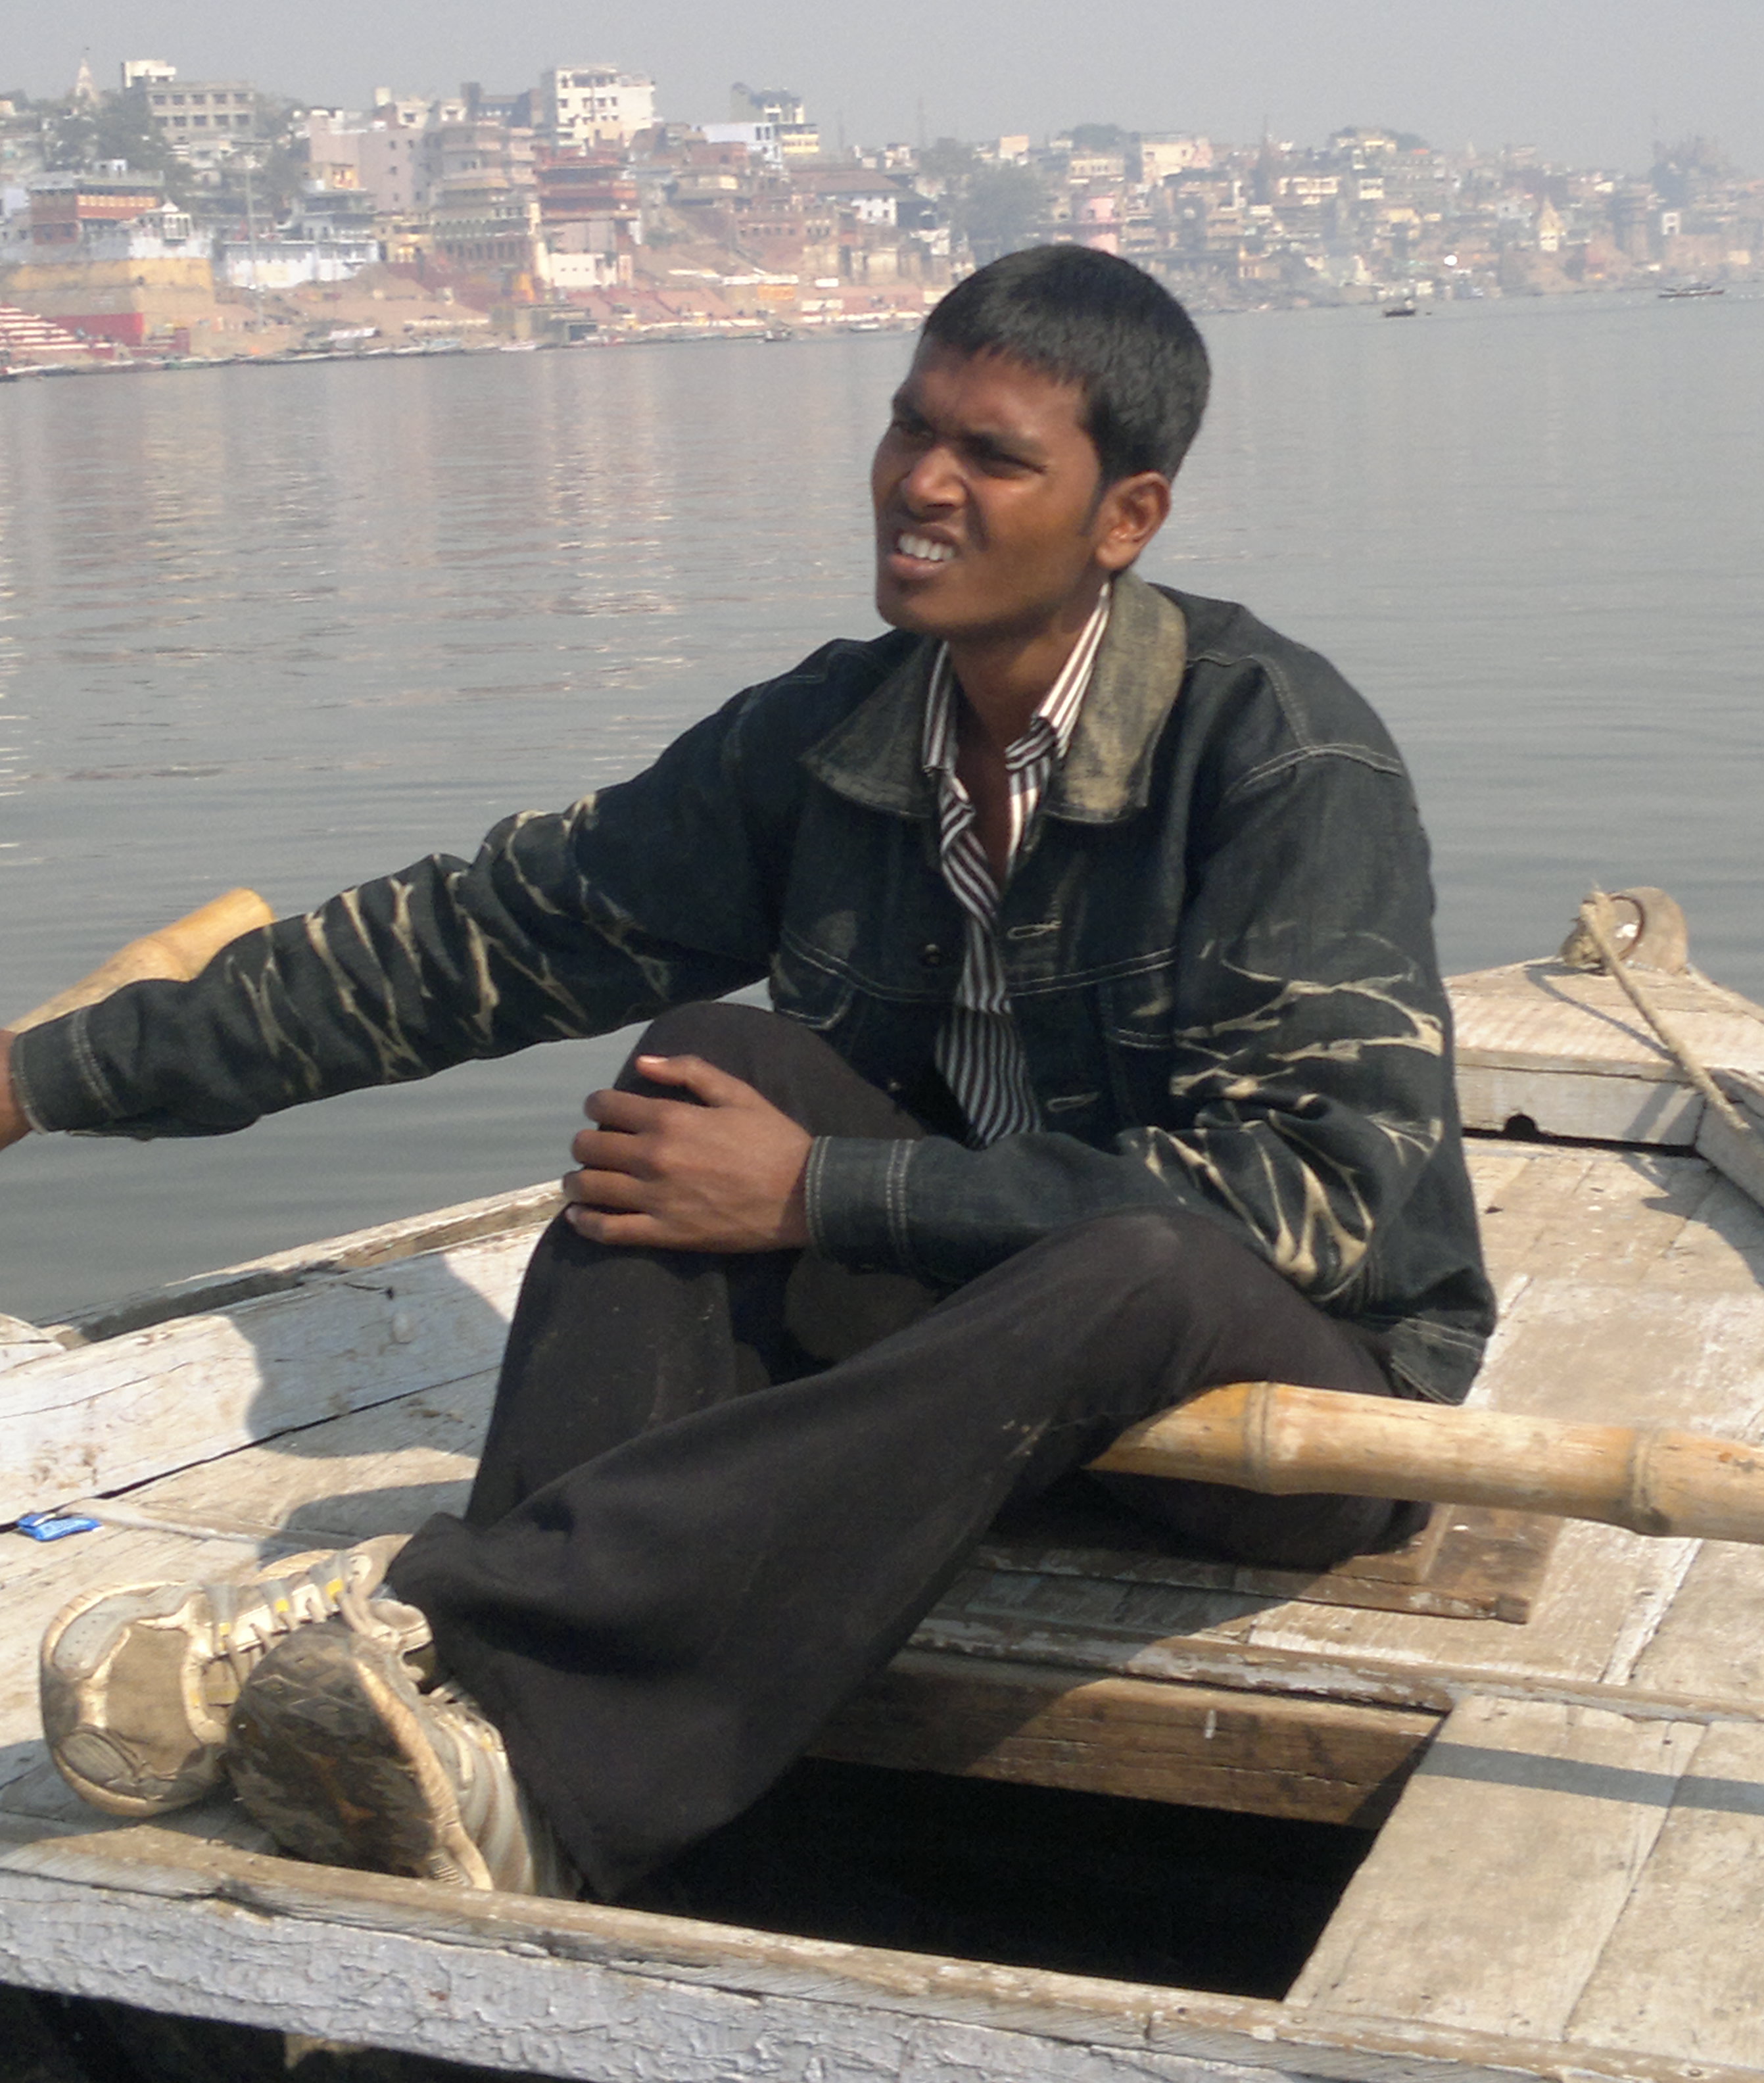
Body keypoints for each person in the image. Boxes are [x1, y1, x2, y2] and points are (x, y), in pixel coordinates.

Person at [5, 245, 1492, 1903]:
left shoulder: (1279, 751)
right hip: (969, 1377)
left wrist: (822, 1188)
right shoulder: (833, 736)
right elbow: (473, 939)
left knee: (1139, 1255)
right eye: (910, 426)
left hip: (1284, 1413)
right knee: (704, 1071)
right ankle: (497, 1756)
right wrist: (40, 1077)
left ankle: (453, 1639)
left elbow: (1319, 1200)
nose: (921, 483)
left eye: (993, 456)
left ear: (1125, 515)